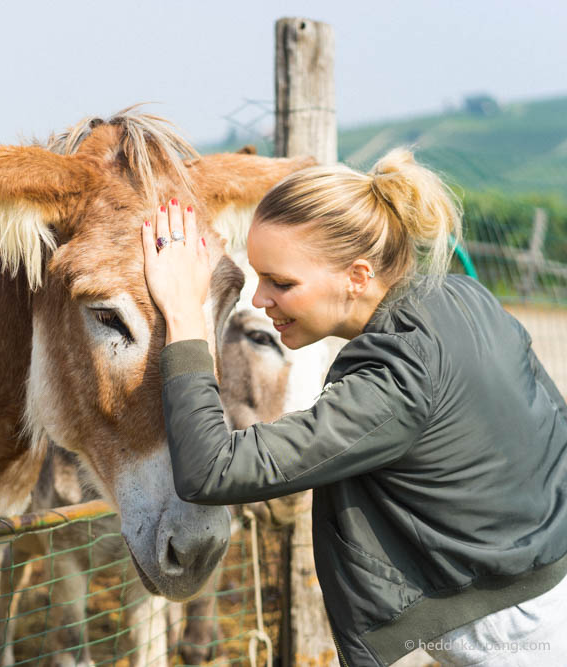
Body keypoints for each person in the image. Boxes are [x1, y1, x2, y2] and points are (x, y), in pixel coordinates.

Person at [141, 149, 567, 667]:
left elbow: (212, 470)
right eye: (258, 277)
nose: (259, 299)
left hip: (515, 640)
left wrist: (184, 316)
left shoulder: (396, 378)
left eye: (282, 281)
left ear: (358, 276)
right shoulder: (465, 297)